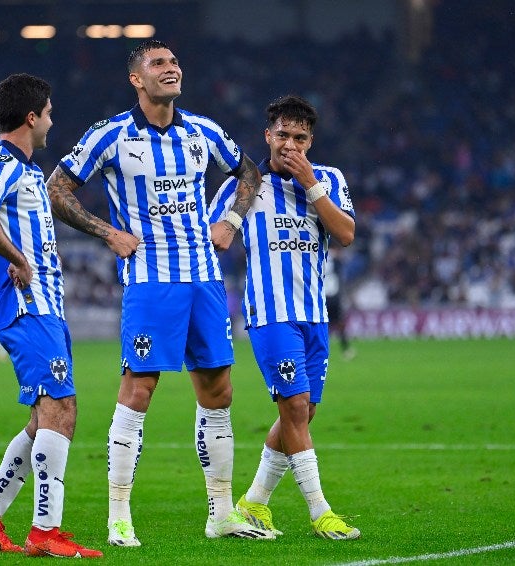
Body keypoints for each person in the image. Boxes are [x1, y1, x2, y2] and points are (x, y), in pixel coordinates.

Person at [45, 39, 272, 546]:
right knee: (139, 389)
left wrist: (231, 220)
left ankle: (220, 513)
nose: (171, 69)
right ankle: (119, 514)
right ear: (136, 79)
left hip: (204, 279)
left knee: (219, 392)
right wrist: (107, 232)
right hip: (150, 281)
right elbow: (57, 187)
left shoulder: (203, 131)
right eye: (158, 64)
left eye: (173, 62)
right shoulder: (110, 136)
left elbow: (249, 171)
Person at [0, 73, 102, 558]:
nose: (52, 120)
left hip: (44, 308)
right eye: (50, 112)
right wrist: (18, 258)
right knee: (60, 408)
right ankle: (45, 532)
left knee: (46, 418)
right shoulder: (4, 162)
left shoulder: (26, 169)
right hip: (26, 306)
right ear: (31, 117)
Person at [208, 95, 360, 540]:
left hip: (315, 315)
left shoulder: (328, 178)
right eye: (282, 135)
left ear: (311, 141)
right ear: (267, 136)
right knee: (293, 406)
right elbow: (215, 236)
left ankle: (254, 501)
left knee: (304, 412)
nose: (290, 144)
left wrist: (311, 184)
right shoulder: (245, 186)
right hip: (271, 314)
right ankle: (320, 512)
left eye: (300, 137)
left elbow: (347, 233)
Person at [324, 250, 356, 360]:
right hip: (334, 295)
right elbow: (341, 277)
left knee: (323, 324)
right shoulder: (336, 260)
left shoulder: (317, 255)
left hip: (322, 295)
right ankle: (346, 349)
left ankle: (321, 350)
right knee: (339, 323)